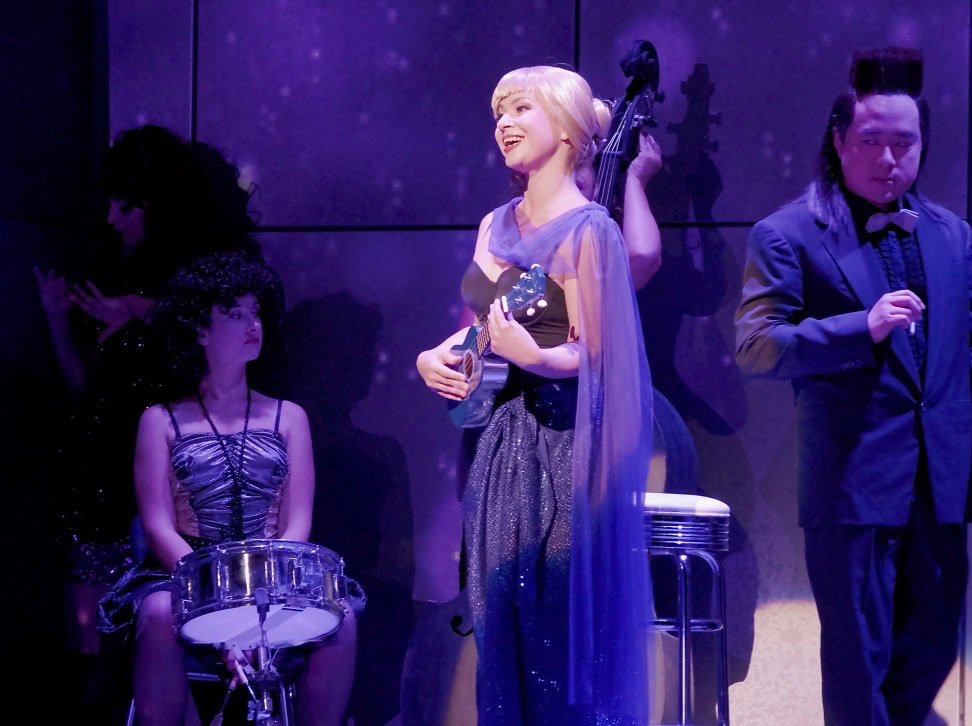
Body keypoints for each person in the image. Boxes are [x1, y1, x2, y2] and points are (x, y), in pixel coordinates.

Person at [734, 48, 972, 725]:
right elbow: (755, 347)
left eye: (904, 143)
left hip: (939, 481)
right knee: (857, 658)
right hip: (852, 485)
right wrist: (858, 327)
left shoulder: (951, 235)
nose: (888, 158)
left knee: (931, 646)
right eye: (871, 141)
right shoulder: (787, 235)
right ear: (839, 141)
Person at [416, 65, 653, 724]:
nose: (505, 123)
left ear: (568, 129)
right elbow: (482, 329)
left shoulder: (589, 230)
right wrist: (437, 355)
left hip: (567, 450)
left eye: (521, 108)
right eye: (500, 112)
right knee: (501, 625)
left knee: (555, 632)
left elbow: (601, 352)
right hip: (502, 448)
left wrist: (541, 357)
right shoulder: (494, 225)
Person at [99, 252, 362, 726]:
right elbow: (157, 526)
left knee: (340, 615)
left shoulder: (289, 417)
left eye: (255, 312)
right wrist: (216, 603)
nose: (253, 324)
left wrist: (264, 597)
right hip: (186, 573)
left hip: (273, 570)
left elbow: (298, 521)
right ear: (200, 328)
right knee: (158, 611)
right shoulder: (160, 421)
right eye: (236, 314)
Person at [35, 125, 262, 662]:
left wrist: (142, 310)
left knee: (177, 626)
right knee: (94, 634)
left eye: (127, 206)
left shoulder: (209, 280)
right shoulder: (109, 273)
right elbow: (86, 388)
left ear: (162, 208)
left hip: (179, 473)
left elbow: (233, 343)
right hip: (99, 471)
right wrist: (55, 318)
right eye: (111, 204)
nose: (113, 219)